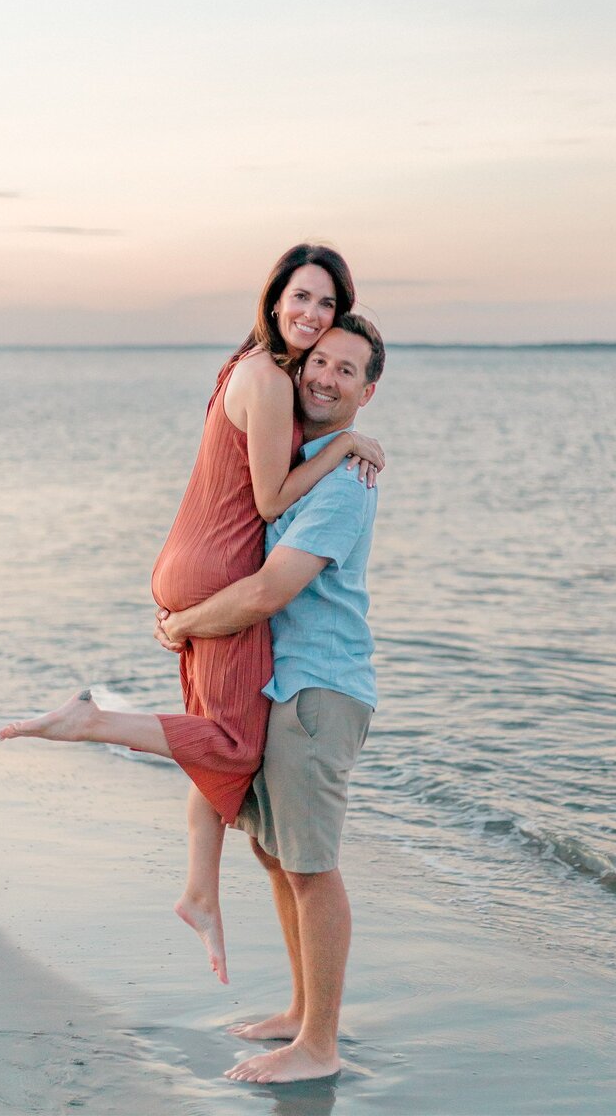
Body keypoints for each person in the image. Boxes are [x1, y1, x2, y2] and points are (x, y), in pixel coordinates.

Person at [0, 245, 384, 988]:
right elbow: (271, 503)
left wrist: (333, 443)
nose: (311, 316)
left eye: (326, 306)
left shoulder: (244, 366)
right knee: (235, 746)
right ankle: (94, 720)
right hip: (222, 571)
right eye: (301, 298)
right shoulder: (272, 378)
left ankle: (200, 892)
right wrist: (342, 451)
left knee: (218, 742)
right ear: (275, 299)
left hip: (191, 562)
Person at [153, 314, 385, 1084]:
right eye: (320, 361)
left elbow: (267, 590)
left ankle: (319, 1045)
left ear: (368, 390)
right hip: (280, 684)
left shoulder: (344, 486)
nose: (326, 377)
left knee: (312, 868)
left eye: (347, 371)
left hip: (319, 691)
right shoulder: (306, 463)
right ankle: (299, 1011)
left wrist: (184, 623)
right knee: (276, 853)